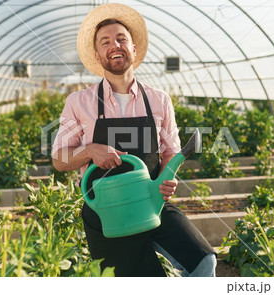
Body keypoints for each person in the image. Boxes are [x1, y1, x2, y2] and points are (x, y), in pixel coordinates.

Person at [52, 3, 216, 277]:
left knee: (203, 262)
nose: (114, 45)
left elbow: (170, 153)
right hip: (107, 212)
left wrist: (166, 180)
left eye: (121, 39)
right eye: (105, 42)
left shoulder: (159, 100)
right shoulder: (79, 102)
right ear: (97, 54)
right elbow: (59, 159)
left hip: (152, 201)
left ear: (134, 48)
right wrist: (90, 150)